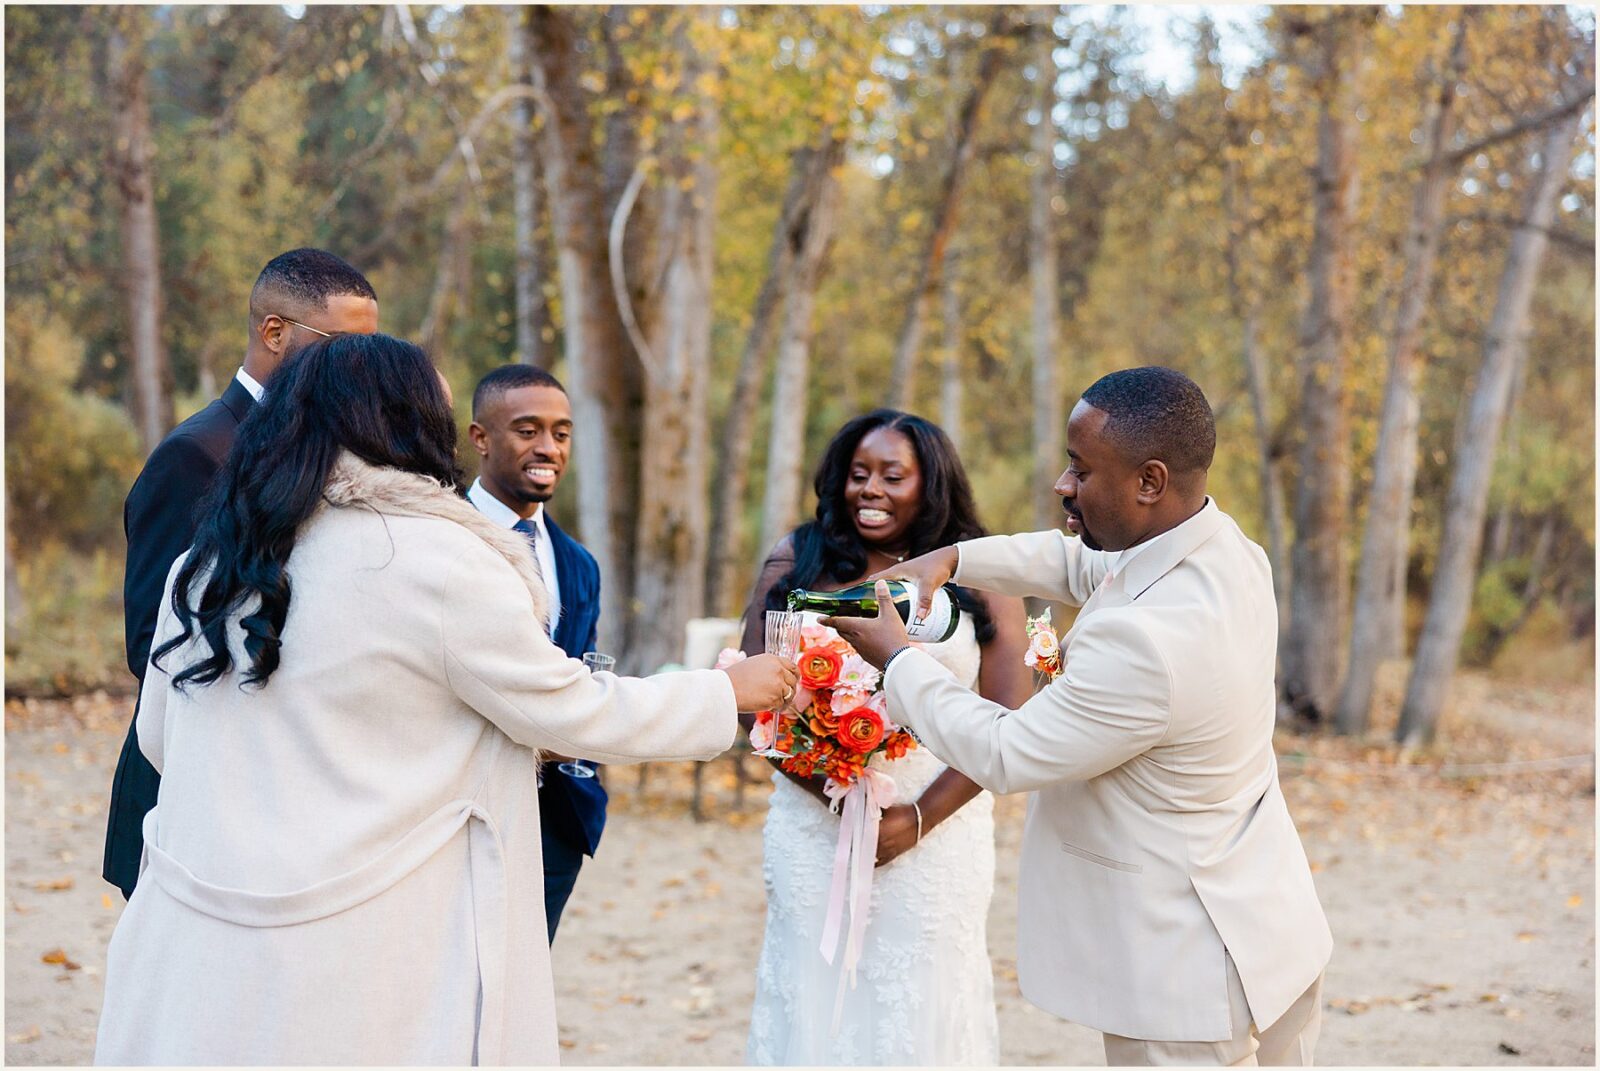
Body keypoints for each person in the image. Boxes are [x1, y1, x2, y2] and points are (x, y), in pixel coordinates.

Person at [92, 334, 796, 1065]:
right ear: (408, 423)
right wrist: (723, 693)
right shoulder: (437, 560)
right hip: (359, 952)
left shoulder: (207, 559)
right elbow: (569, 708)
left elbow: (159, 739)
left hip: (197, 936)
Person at [827, 368, 1332, 1067]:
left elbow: (1009, 751)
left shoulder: (1151, 642)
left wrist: (898, 657)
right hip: (1272, 931)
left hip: (1185, 976)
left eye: (1081, 467)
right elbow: (1074, 564)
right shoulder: (1227, 551)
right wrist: (949, 559)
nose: (1063, 483)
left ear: (1149, 482)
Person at [739, 409, 1032, 1065]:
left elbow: (1007, 721)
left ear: (930, 484)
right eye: (858, 473)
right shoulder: (799, 559)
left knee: (923, 998)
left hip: (940, 831)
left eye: (891, 475)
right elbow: (751, 697)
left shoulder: (981, 570)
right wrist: (834, 793)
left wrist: (917, 819)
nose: (868, 488)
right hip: (815, 827)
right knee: (813, 993)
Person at [103, 248, 379, 900]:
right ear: (274, 331)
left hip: (293, 801)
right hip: (189, 799)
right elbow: (154, 643)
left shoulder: (337, 453)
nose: (361, 370)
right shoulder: (195, 456)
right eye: (343, 346)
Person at [467, 363, 605, 942]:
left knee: (523, 997)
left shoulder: (579, 563)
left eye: (562, 433)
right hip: (462, 813)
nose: (548, 447)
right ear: (480, 438)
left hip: (556, 823)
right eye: (527, 430)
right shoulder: (442, 539)